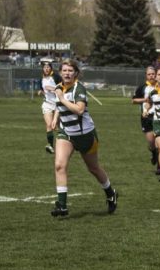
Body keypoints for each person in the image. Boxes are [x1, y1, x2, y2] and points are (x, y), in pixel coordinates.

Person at [50, 59, 118, 217]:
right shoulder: (59, 88)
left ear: (75, 73)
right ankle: (62, 206)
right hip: (66, 133)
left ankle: (110, 193)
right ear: (60, 72)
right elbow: (59, 106)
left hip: (86, 135)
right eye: (64, 70)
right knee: (60, 166)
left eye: (70, 70)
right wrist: (55, 118)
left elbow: (79, 110)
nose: (67, 73)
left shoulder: (78, 89)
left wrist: (62, 99)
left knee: (93, 168)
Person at [132, 66, 158, 166]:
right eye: (149, 74)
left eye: (153, 74)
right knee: (151, 142)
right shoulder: (142, 87)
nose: (151, 76)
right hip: (146, 117)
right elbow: (133, 100)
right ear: (146, 76)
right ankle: (153, 152)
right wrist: (145, 100)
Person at [37, 61, 62, 154]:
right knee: (49, 125)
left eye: (48, 67)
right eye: (45, 67)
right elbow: (43, 89)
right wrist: (41, 92)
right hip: (47, 104)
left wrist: (52, 88)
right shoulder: (41, 79)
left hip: (58, 105)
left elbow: (63, 88)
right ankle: (50, 146)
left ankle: (66, 142)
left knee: (57, 127)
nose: (46, 69)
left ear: (51, 68)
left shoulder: (56, 77)